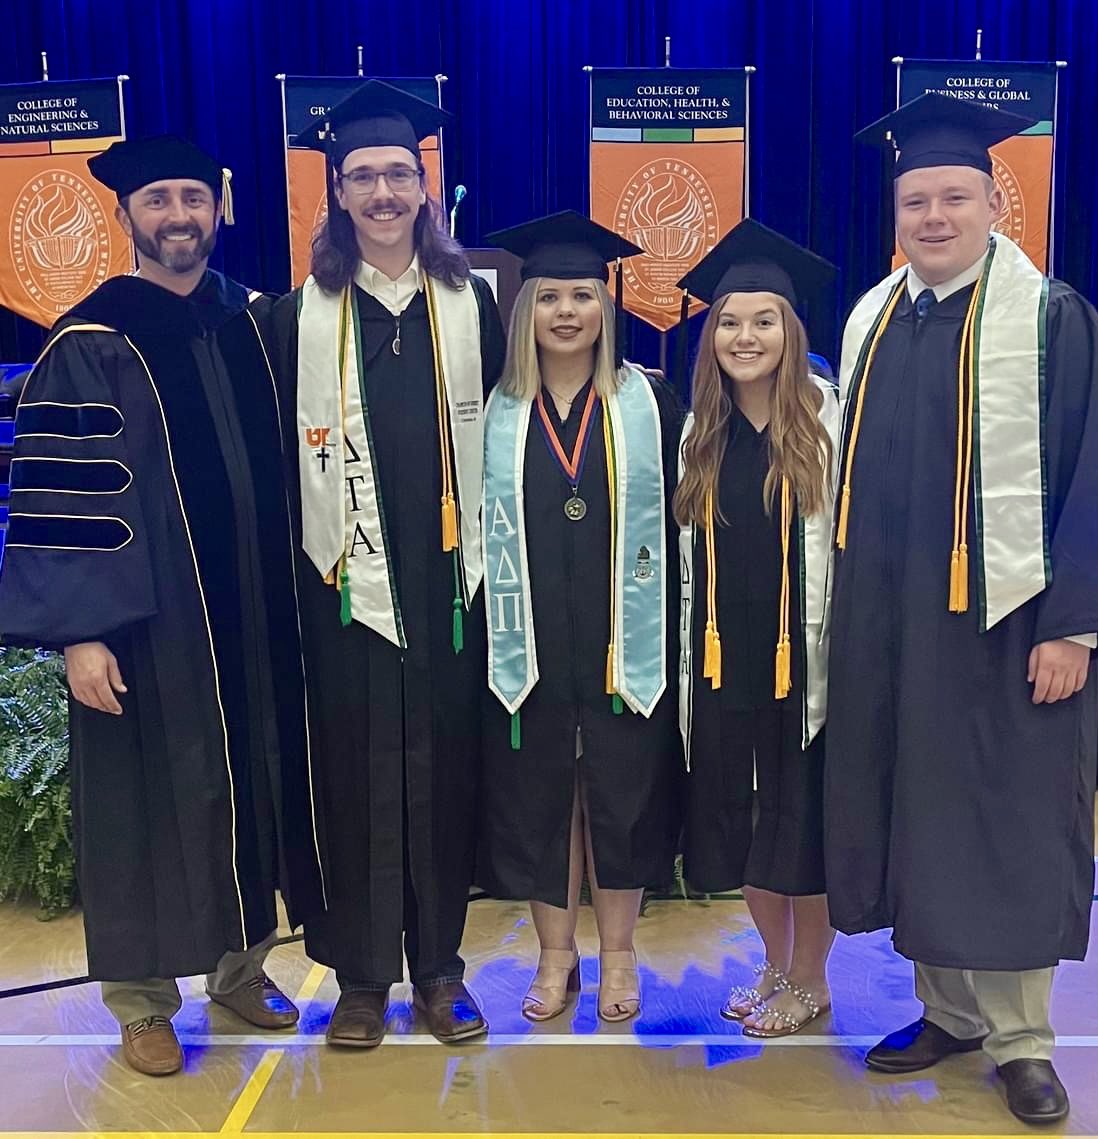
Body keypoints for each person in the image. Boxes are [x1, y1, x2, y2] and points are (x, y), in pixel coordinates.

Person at [826, 94, 1098, 1124]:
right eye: (914, 199)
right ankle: (946, 1008)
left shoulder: (1047, 319)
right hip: (896, 626)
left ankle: (1019, 1038)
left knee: (1002, 816)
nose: (931, 217)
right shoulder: (875, 318)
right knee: (919, 808)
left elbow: (1091, 477)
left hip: (1008, 628)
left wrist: (1071, 622)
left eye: (951, 197)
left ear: (989, 202)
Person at [0, 136, 325, 1076]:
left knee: (253, 786)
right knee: (139, 799)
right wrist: (81, 634)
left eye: (192, 196)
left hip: (258, 619)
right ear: (126, 216)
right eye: (157, 200)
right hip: (147, 629)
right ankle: (141, 1002)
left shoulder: (256, 320)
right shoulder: (88, 341)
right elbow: (65, 500)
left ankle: (239, 969)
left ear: (220, 205)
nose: (178, 215)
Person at [260, 81, 506, 1048]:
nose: (381, 192)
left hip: (452, 586)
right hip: (341, 590)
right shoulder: (296, 318)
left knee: (444, 772)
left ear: (423, 184)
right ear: (338, 194)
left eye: (398, 173)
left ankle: (440, 970)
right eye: (361, 176)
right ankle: (361, 975)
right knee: (355, 775)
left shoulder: (474, 308)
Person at [478, 212, 682, 1023]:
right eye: (550, 296)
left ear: (607, 307)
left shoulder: (651, 403)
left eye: (583, 295)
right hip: (526, 639)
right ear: (524, 309)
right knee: (539, 798)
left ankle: (620, 955)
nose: (567, 311)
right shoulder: (492, 412)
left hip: (621, 642)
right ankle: (555, 955)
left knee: (622, 797)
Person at [672, 220, 840, 1037]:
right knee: (745, 823)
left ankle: (810, 979)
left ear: (789, 330)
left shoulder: (827, 421)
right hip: (720, 660)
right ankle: (773, 961)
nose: (746, 336)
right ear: (712, 336)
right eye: (730, 322)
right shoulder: (697, 433)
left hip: (805, 661)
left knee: (800, 824)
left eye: (763, 320)